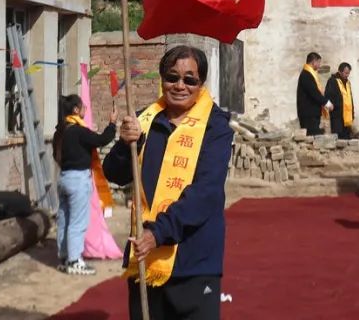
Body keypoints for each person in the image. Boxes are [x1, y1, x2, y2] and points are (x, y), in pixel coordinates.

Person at [103, 45, 234, 320]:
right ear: (162, 79)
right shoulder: (145, 120)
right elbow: (115, 174)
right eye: (172, 77)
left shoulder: (216, 127)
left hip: (194, 259)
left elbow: (206, 193)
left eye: (189, 79)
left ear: (201, 84)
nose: (179, 85)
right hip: (145, 259)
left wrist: (158, 233)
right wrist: (126, 144)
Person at [53, 94, 117, 275]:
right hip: (78, 180)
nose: (85, 110)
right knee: (77, 222)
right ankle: (74, 260)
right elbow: (101, 140)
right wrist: (112, 124)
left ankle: (64, 257)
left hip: (64, 177)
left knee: (64, 220)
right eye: (83, 107)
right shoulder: (78, 131)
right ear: (75, 110)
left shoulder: (62, 130)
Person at [296, 52, 333, 136]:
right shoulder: (306, 75)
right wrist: (327, 103)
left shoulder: (309, 74)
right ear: (313, 62)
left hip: (312, 113)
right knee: (312, 137)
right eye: (319, 62)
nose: (319, 65)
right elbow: (314, 93)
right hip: (308, 114)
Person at [325, 62, 355, 140]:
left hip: (347, 116)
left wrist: (352, 113)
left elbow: (350, 99)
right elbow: (328, 96)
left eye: (348, 73)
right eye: (346, 73)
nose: (347, 75)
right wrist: (336, 106)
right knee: (339, 139)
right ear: (340, 71)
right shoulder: (333, 81)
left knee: (347, 138)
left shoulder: (348, 83)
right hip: (337, 115)